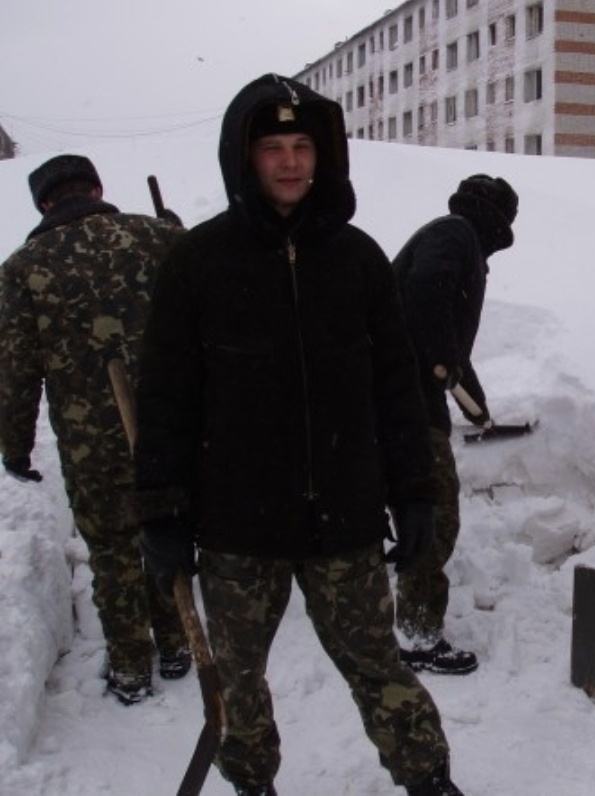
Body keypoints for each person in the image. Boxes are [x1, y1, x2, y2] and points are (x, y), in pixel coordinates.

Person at [130, 73, 465, 796]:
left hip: (344, 518)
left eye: (303, 146)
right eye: (274, 147)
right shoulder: (199, 262)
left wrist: (414, 493)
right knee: (238, 677)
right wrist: (160, 510)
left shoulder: (358, 259)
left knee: (377, 662)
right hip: (236, 528)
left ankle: (429, 779)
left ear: (324, 155)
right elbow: (165, 397)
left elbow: (396, 394)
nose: (290, 163)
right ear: (245, 158)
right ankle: (252, 783)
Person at [0, 154, 189, 706]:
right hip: (167, 424)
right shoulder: (155, 238)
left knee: (111, 550)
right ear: (98, 188)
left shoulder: (23, 268)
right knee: (165, 526)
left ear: (43, 203)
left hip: (90, 443)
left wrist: (13, 445)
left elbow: (14, 369)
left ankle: (132, 667)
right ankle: (176, 642)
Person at [390, 173, 519, 675]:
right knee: (436, 514)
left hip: (397, 396)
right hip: (405, 404)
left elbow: (444, 339)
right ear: (496, 221)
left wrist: (474, 402)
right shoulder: (455, 234)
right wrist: (444, 365)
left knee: (414, 510)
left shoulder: (450, 234)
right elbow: (427, 295)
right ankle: (418, 638)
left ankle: (404, 623)